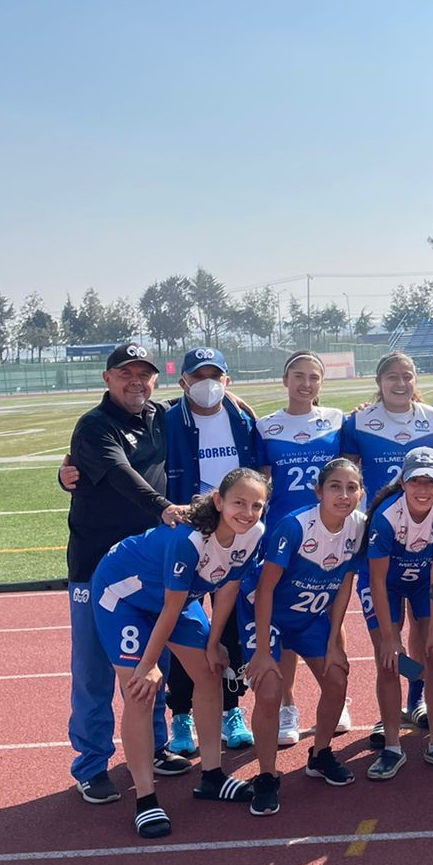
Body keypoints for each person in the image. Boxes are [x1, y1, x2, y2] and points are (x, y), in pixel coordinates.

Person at [90, 467, 268, 836]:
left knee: (208, 668)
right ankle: (145, 799)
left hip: (177, 597)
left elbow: (229, 588)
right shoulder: (189, 539)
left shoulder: (252, 535)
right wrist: (148, 664)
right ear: (218, 501)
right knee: (140, 691)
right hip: (124, 597)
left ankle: (212, 777)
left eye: (256, 506)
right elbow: (169, 609)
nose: (247, 513)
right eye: (239, 503)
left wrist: (215, 640)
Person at [64, 342, 193, 805]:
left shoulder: (162, 416)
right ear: (107, 378)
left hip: (147, 566)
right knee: (95, 670)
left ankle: (155, 745)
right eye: (126, 373)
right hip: (95, 565)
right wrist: (164, 509)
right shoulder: (94, 427)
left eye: (145, 374)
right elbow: (120, 474)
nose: (136, 381)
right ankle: (91, 764)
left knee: (149, 664)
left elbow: (203, 401)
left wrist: (233, 399)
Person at [242, 457, 366, 818]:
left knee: (337, 675)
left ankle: (321, 753)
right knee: (268, 690)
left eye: (351, 487)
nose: (343, 495)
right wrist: (263, 651)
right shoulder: (294, 527)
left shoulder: (359, 526)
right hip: (269, 616)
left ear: (360, 492)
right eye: (334, 487)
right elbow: (264, 591)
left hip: (310, 617)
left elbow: (345, 584)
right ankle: (266, 776)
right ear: (318, 492)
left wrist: (333, 644)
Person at [163, 346, 259, 755]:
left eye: (214, 375)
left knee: (231, 627)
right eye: (197, 376)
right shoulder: (165, 419)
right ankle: (180, 715)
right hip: (187, 534)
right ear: (183, 381)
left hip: (234, 532)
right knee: (185, 627)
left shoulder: (242, 417)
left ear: (227, 380)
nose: (207, 384)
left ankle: (229, 710)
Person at [360, 445, 433, 779]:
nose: (423, 489)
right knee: (390, 659)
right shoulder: (386, 515)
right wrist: (391, 638)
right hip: (386, 584)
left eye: (431, 482)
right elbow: (377, 580)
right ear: (404, 482)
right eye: (415, 482)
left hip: (427, 579)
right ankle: (393, 746)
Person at [253, 350, 348, 747]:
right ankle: (288, 704)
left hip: (330, 530)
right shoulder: (266, 425)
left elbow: (350, 469)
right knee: (284, 618)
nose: (305, 383)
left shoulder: (338, 420)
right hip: (283, 533)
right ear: (285, 379)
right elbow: (261, 480)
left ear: (321, 383)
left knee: (330, 613)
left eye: (313, 377)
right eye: (298, 376)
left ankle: (335, 695)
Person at [342, 349, 433, 722]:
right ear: (379, 382)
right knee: (387, 633)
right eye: (392, 377)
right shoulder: (358, 421)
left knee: (421, 624)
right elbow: (350, 477)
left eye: (408, 376)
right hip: (379, 539)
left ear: (416, 380)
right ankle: (390, 710)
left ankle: (416, 697)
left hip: (424, 538)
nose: (400, 383)